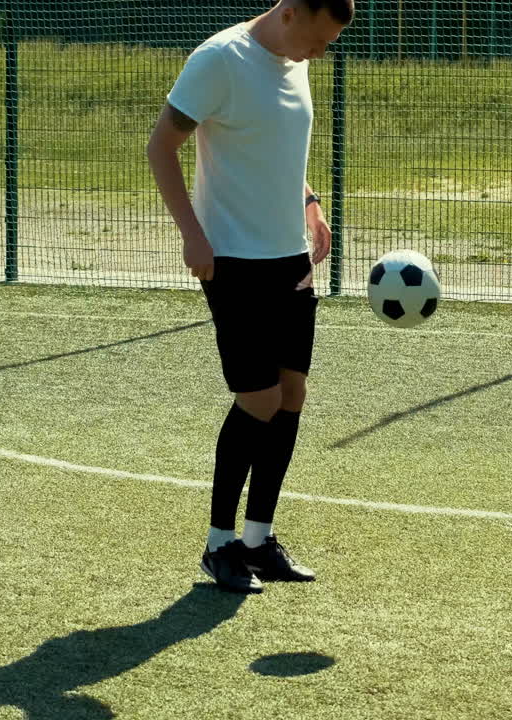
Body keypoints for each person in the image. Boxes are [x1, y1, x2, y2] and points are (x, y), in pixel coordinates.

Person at [146, 0, 354, 593]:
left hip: (291, 258)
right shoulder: (220, 60)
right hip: (233, 261)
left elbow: (279, 150)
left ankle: (259, 540)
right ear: (291, 12)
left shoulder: (297, 57)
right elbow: (161, 147)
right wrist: (192, 235)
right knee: (257, 402)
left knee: (291, 395)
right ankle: (219, 546)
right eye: (319, 38)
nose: (322, 52)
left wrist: (309, 205)